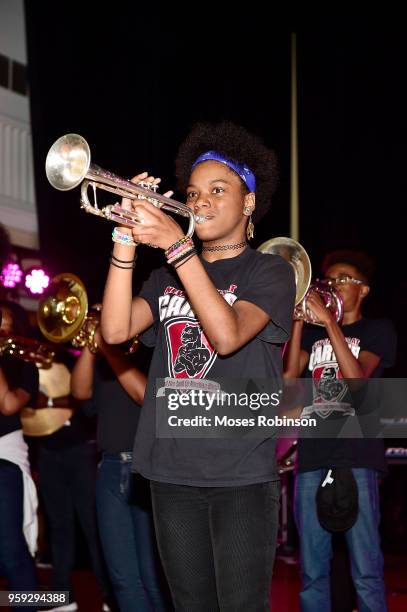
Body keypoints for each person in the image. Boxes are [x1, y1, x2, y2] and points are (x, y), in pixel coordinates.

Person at [101, 121, 296, 611]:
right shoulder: (165, 275)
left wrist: (176, 245)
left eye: (217, 189)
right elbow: (114, 332)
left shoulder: (269, 271)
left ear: (248, 203)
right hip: (170, 470)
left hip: (240, 475)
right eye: (192, 192)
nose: (200, 201)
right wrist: (125, 239)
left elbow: (227, 336)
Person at [284, 250, 397, 612]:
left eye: (342, 278)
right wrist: (299, 320)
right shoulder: (311, 335)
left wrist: (330, 324)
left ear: (363, 290)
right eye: (329, 279)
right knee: (312, 570)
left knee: (366, 569)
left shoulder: (377, 329)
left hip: (357, 455)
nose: (332, 285)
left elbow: (358, 382)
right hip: (312, 456)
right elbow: (288, 383)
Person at [71, 310, 169, 612]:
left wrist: (109, 350)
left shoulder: (153, 347)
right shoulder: (103, 361)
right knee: (122, 578)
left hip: (147, 469)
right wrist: (91, 347)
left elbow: (144, 395)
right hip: (110, 469)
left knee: (153, 577)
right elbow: (79, 391)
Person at [0, 301, 39, 612]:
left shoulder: (24, 365)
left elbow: (9, 405)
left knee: (12, 550)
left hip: (5, 460)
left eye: (4, 323)